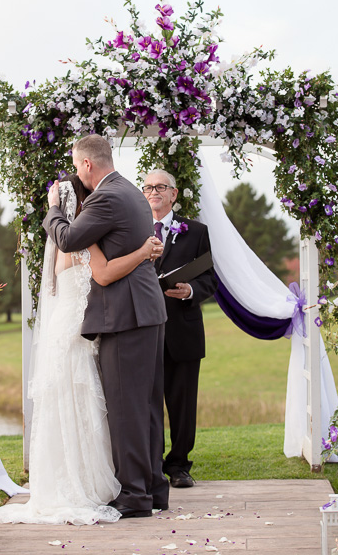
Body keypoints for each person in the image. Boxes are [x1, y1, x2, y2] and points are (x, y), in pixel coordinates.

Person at [0, 174, 164, 526]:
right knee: (109, 408)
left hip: (88, 329)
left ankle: (120, 484)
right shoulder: (83, 243)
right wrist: (143, 250)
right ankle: (113, 484)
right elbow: (105, 273)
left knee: (106, 409)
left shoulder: (85, 237)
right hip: (81, 332)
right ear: (82, 207)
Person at [43, 135, 169, 518]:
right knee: (146, 404)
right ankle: (154, 488)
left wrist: (52, 209)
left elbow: (67, 238)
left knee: (127, 406)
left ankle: (134, 495)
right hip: (145, 311)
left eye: (77, 166)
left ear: (86, 165)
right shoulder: (129, 190)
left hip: (126, 316)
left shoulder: (105, 197)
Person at [143, 169, 217, 489]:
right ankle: (150, 464)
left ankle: (179, 465)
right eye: (147, 187)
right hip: (142, 330)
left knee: (183, 404)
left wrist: (190, 291)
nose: (153, 192)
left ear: (174, 194)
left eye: (161, 187)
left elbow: (210, 278)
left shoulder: (197, 232)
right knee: (146, 402)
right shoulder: (132, 230)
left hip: (183, 329)